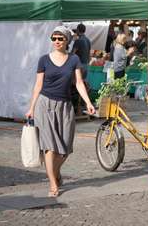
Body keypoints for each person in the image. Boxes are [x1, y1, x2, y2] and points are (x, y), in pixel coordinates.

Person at [25, 25, 95, 197]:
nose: (56, 41)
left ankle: (55, 172)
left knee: (64, 148)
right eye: (54, 38)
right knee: (50, 147)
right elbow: (38, 85)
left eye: (60, 38)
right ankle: (53, 184)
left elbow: (78, 83)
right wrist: (31, 107)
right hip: (44, 104)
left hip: (65, 106)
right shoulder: (43, 59)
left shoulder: (74, 60)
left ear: (67, 41)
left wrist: (88, 102)